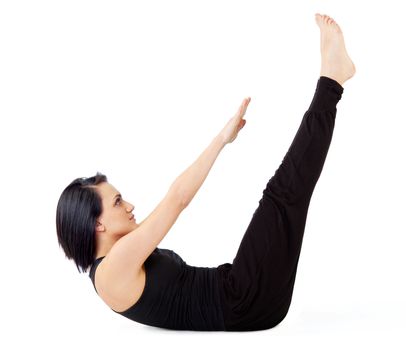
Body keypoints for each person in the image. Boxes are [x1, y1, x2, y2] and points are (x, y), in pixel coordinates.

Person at [56, 13, 356, 332]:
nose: (129, 205)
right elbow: (177, 199)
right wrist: (221, 140)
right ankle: (332, 79)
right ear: (97, 223)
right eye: (116, 202)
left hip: (244, 295)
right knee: (282, 194)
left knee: (286, 198)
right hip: (244, 301)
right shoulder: (112, 271)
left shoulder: (115, 263)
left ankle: (332, 78)